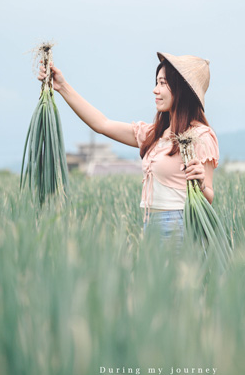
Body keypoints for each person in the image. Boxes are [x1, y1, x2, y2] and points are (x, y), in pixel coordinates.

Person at [39, 52, 219, 247]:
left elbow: (208, 197)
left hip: (179, 225)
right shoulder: (154, 134)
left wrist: (200, 183)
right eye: (156, 83)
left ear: (181, 89)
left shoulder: (200, 136)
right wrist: (62, 86)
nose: (155, 90)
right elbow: (102, 124)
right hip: (151, 223)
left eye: (162, 83)